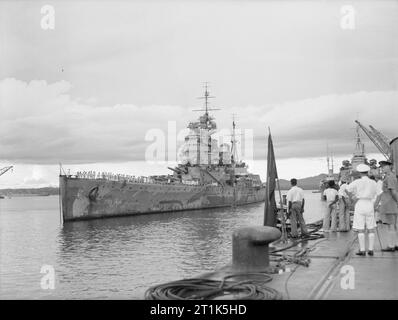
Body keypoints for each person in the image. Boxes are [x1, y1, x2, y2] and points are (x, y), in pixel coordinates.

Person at [346, 164, 378, 256]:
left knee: (360, 228)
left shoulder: (357, 182)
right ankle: (371, 249)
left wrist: (352, 198)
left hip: (360, 204)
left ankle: (362, 250)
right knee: (371, 228)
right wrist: (375, 205)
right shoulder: (373, 182)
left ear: (360, 172)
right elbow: (379, 193)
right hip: (369, 204)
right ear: (367, 172)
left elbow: (347, 189)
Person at [374, 160, 398, 252]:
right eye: (382, 167)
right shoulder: (391, 177)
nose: (382, 168)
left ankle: (391, 245)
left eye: (384, 167)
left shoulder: (389, 177)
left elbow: (393, 192)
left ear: (389, 167)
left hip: (389, 204)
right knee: (394, 226)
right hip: (391, 204)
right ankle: (395, 244)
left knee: (390, 226)